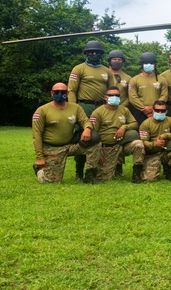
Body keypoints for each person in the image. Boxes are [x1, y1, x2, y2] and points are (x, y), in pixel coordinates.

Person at [67, 40, 113, 181]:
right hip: (84, 106)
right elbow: (72, 90)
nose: (94, 54)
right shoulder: (78, 69)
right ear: (86, 53)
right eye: (91, 52)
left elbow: (112, 90)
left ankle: (94, 170)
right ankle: (79, 171)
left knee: (99, 137)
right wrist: (74, 109)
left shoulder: (106, 71)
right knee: (83, 137)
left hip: (101, 108)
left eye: (97, 52)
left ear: (101, 54)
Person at [31, 82, 92, 184]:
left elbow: (86, 120)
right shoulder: (42, 111)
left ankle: (91, 174)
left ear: (67, 93)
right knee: (51, 182)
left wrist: (88, 128)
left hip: (70, 145)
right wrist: (39, 157)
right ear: (51, 93)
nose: (60, 94)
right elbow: (37, 135)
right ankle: (39, 170)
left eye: (63, 92)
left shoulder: (75, 108)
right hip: (52, 148)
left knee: (95, 141)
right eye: (56, 92)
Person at [85, 86, 144, 183]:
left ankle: (136, 174)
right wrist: (97, 153)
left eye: (117, 95)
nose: (114, 97)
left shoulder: (124, 110)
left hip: (122, 145)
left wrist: (123, 127)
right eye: (111, 95)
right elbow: (94, 134)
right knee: (104, 178)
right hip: (107, 147)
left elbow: (134, 123)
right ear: (105, 97)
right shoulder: (98, 112)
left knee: (139, 144)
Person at [138, 100, 171, 181]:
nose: (160, 112)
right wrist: (155, 144)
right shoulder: (145, 124)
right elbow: (143, 142)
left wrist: (165, 136)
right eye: (157, 110)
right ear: (153, 111)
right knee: (149, 179)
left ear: (166, 111)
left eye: (162, 111)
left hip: (167, 151)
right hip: (153, 153)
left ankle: (170, 170)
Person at [128, 52, 162, 125]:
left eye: (151, 63)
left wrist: (153, 108)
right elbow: (132, 98)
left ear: (155, 64)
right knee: (141, 132)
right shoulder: (134, 80)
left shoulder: (162, 79)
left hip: (158, 111)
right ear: (142, 65)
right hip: (140, 112)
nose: (149, 65)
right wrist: (144, 109)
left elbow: (164, 95)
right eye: (146, 63)